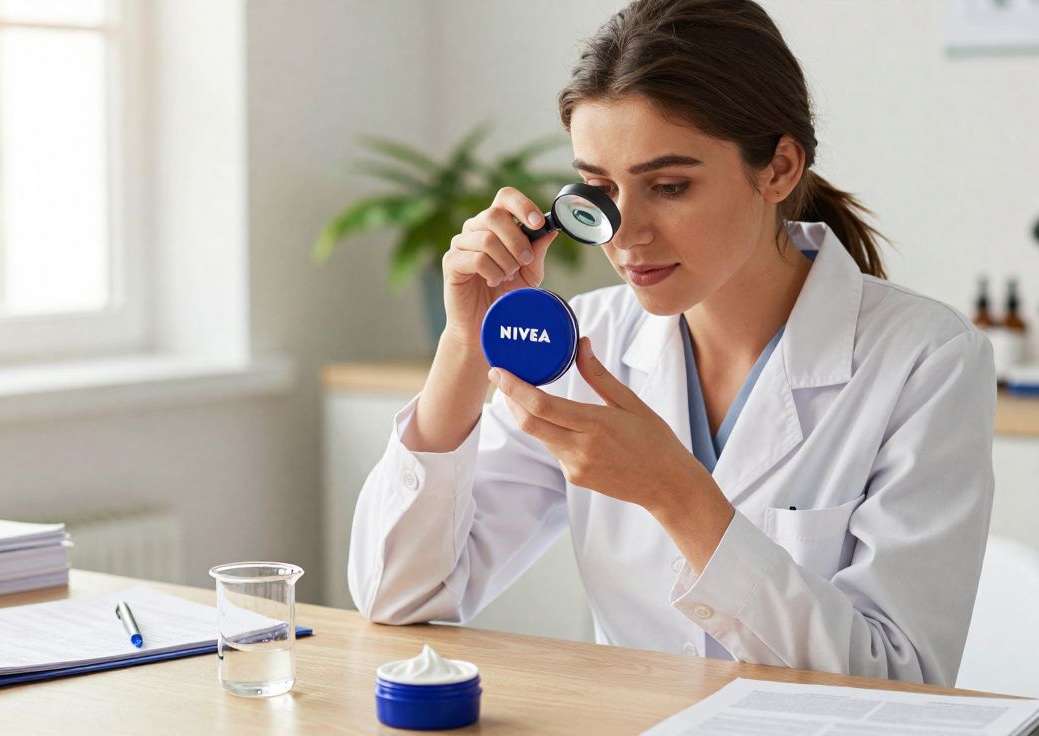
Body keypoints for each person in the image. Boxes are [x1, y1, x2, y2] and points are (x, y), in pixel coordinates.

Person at [348, 0, 995, 687]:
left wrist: (675, 493)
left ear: (777, 168)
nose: (626, 234)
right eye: (599, 190)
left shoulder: (928, 362)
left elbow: (903, 683)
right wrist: (463, 345)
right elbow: (399, 595)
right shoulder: (583, 345)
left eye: (670, 186)